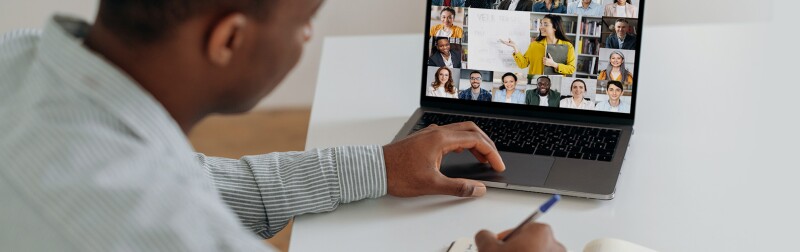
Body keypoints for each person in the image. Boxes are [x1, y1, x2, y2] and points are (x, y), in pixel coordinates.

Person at [0, 0, 567, 251]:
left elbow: (190, 182)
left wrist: (379, 166)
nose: (306, 39)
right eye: (305, 23)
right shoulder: (170, 236)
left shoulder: (17, 58)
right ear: (229, 39)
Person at [500, 15, 576, 76]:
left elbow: (571, 69)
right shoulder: (534, 45)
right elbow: (523, 64)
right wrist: (515, 47)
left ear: (555, 28)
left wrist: (554, 65)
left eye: (545, 24)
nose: (540, 27)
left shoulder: (568, 46)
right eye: (541, 24)